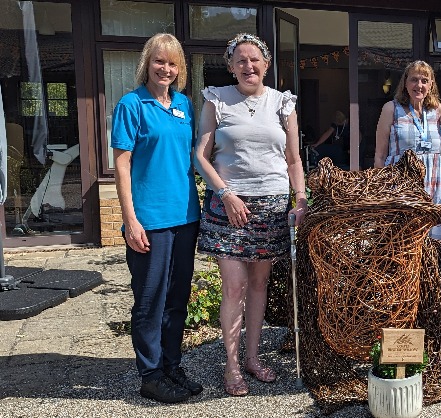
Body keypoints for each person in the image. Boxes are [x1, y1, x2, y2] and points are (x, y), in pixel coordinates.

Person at [194, 33, 308, 397]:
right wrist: (225, 193)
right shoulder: (217, 99)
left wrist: (301, 198)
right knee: (234, 286)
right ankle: (231, 366)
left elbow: (293, 160)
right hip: (229, 207)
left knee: (259, 286)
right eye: (240, 60)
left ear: (266, 64)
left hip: (271, 206)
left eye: (254, 59)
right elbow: (201, 156)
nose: (248, 66)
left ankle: (253, 358)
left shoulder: (282, 103)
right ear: (231, 67)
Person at [111, 33, 202, 403]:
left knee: (178, 298)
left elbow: (195, 157)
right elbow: (121, 165)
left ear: (179, 69)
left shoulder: (184, 105)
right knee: (150, 300)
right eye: (159, 61)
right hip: (149, 219)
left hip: (185, 216)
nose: (165, 69)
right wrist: (131, 220)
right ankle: (149, 375)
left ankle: (171, 365)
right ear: (147, 64)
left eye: (172, 63)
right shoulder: (131, 105)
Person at [374, 60, 441, 240]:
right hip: (400, 188)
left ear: (431, 84)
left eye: (425, 80)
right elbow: (380, 155)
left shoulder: (439, 111)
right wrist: (380, 191)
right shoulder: (391, 109)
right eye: (414, 80)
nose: (419, 85)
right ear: (405, 83)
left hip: (435, 187)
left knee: (434, 242)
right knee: (403, 241)